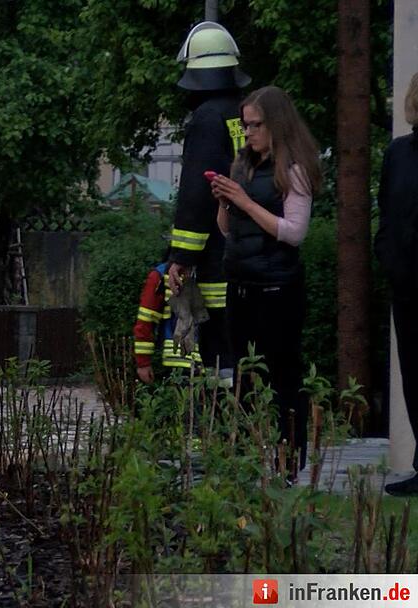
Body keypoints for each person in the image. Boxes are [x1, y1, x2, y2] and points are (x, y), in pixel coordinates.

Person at [209, 85, 322, 477]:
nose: (249, 132)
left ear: (276, 123)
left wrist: (245, 201)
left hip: (278, 289)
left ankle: (289, 463)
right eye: (245, 125)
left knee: (283, 378)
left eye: (256, 125)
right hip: (241, 284)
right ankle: (245, 462)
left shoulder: (294, 169)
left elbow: (294, 232)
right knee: (242, 378)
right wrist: (225, 201)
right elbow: (227, 230)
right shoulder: (243, 165)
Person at [167, 21, 251, 379]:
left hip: (217, 259)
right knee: (246, 352)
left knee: (219, 354)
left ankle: (225, 411)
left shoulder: (206, 118)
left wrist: (181, 257)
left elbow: (196, 193)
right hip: (250, 250)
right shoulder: (247, 113)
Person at [376, 73, 418, 496]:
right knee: (413, 374)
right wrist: (387, 256)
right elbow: (387, 211)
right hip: (407, 283)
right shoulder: (398, 153)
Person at [133, 254, 201, 383]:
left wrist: (143, 363)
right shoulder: (161, 275)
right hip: (181, 364)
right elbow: (146, 318)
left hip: (215, 360)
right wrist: (143, 362)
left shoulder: (215, 269)